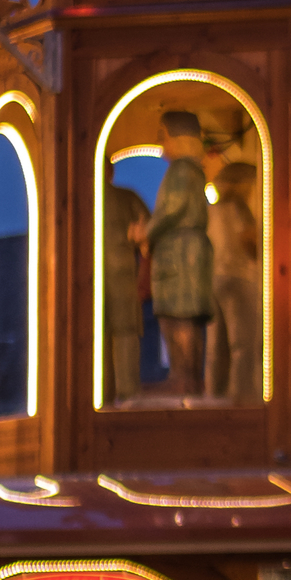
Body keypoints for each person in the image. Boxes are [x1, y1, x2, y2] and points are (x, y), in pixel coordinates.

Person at [137, 112, 213, 396]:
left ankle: (184, 377)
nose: (160, 141)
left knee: (178, 318)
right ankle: (187, 377)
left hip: (179, 258)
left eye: (164, 134)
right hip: (188, 255)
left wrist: (146, 231)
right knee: (185, 321)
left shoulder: (180, 171)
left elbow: (172, 208)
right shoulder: (194, 171)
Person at [204, 158, 260, 405]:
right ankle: (243, 397)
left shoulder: (210, 209)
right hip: (239, 277)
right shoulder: (238, 207)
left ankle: (214, 395)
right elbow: (249, 241)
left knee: (217, 345)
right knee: (243, 343)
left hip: (214, 278)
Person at [102, 180, 151, 403]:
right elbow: (146, 233)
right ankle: (127, 398)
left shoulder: (78, 199)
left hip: (89, 278)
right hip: (122, 275)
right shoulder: (127, 197)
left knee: (98, 338)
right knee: (125, 334)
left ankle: (102, 398)